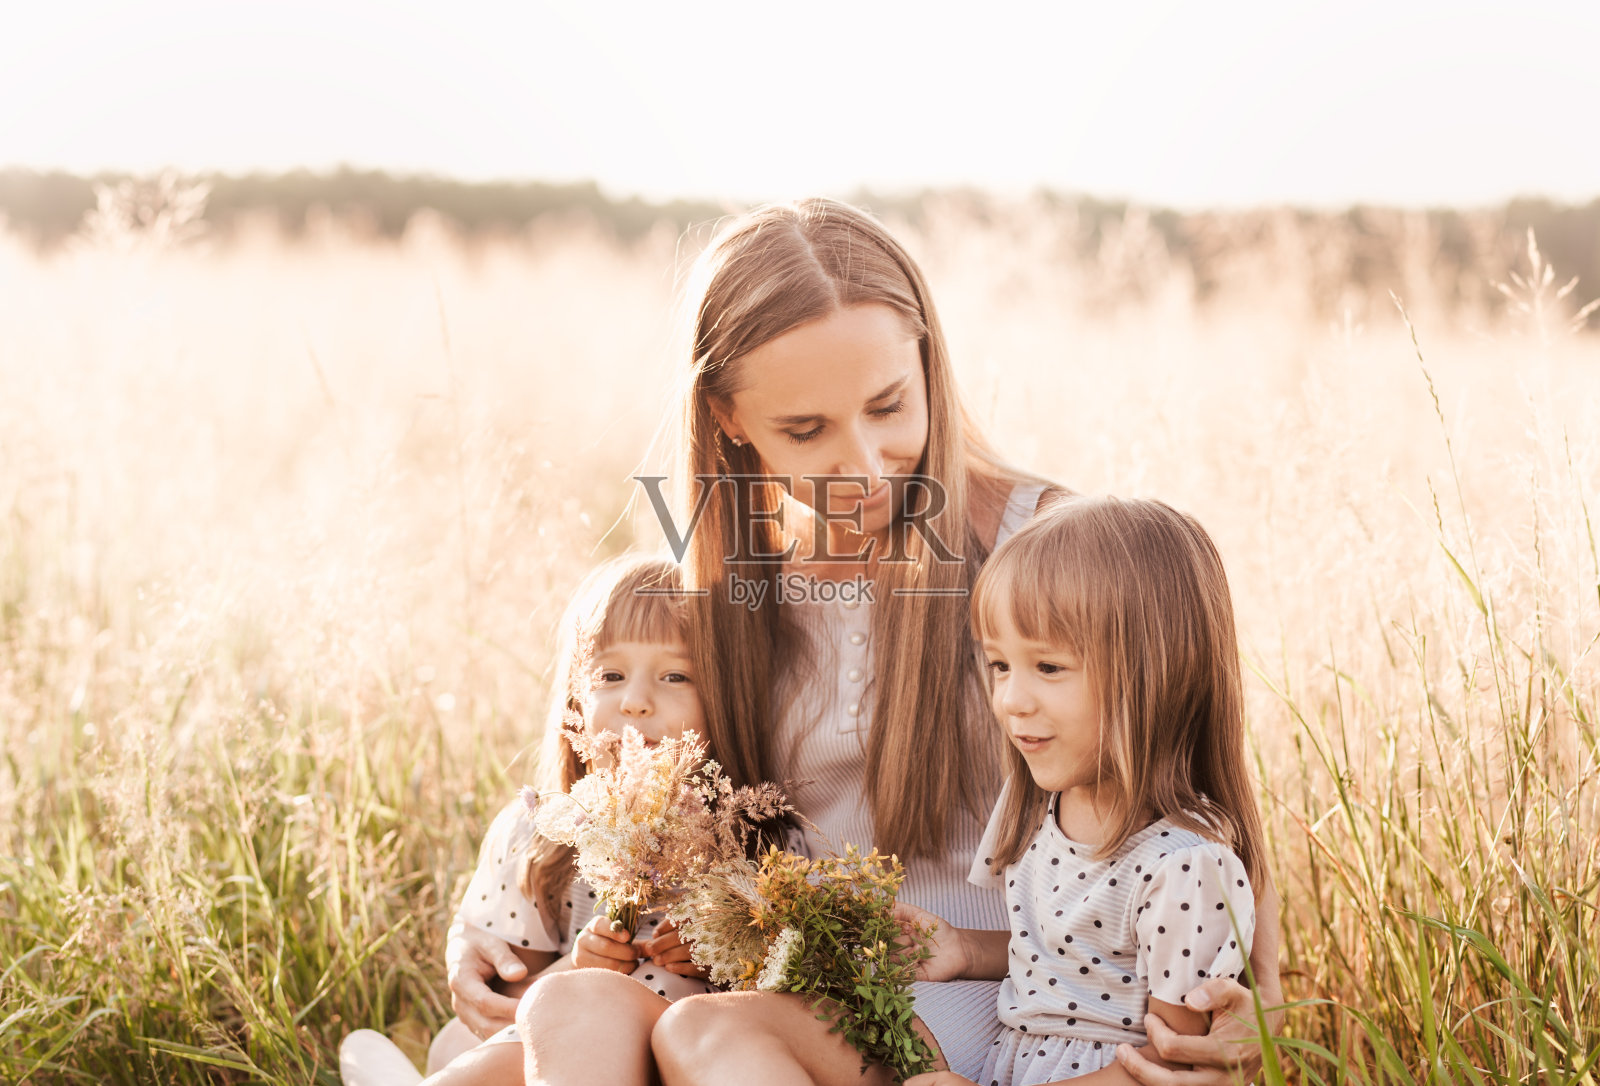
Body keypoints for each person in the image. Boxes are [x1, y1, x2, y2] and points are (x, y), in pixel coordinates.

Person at [448, 198, 1283, 1085]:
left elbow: (1200, 786)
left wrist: (1250, 994)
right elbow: (610, 770)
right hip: (763, 976)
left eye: (889, 406)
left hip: (977, 990)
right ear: (729, 418)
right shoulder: (723, 585)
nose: (867, 466)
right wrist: (487, 929)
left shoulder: (1049, 559)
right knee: (544, 1028)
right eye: (805, 431)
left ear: (927, 362)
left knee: (683, 1039)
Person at [898, 495, 1265, 1086]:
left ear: (1155, 673)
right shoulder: (1050, 806)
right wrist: (966, 949)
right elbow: (1070, 961)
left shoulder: (1185, 867)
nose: (1012, 699)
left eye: (1047, 668)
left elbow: (1170, 1065)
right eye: (999, 665)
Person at [340, 555, 714, 1086]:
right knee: (455, 1041)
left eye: (675, 675)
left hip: (671, 1055)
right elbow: (503, 996)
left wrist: (725, 955)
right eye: (610, 675)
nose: (635, 702)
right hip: (562, 1046)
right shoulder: (545, 832)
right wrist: (577, 968)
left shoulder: (742, 838)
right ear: (575, 702)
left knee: (492, 1056)